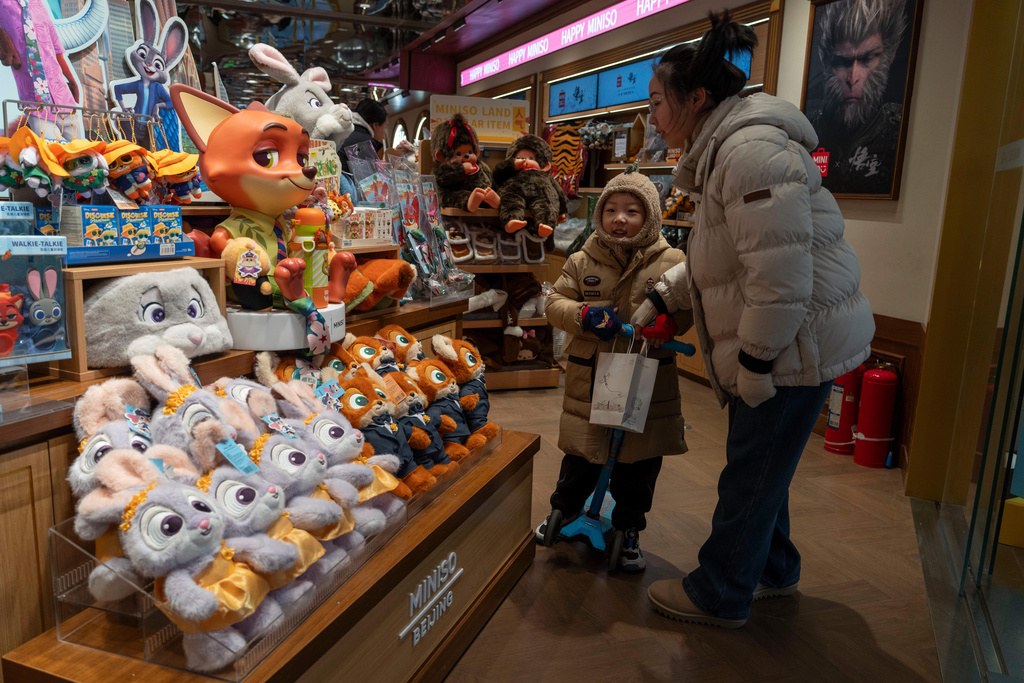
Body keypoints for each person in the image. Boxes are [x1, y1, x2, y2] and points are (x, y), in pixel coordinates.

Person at [635, 12, 874, 627]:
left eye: (657, 102)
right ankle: (773, 567)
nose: (652, 117)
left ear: (696, 98)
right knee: (766, 467)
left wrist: (756, 361)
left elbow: (779, 275)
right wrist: (666, 296)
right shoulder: (732, 148)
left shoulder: (747, 152)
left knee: (750, 472)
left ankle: (720, 591)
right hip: (790, 334)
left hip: (793, 343)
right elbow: (733, 256)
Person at [539, 168, 692, 572]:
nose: (619, 219)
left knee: (639, 461)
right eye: (610, 210)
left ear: (651, 218)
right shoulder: (582, 258)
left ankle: (629, 526)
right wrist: (584, 315)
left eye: (631, 211)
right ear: (599, 214)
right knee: (582, 451)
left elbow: (689, 306)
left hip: (646, 375)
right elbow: (555, 303)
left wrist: (670, 324)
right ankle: (565, 508)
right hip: (592, 376)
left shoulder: (673, 262)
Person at [807, 0, 909, 194]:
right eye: (842, 61)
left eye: (867, 58)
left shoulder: (899, 127)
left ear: (889, 57)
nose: (853, 78)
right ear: (826, 61)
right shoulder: (807, 130)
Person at [339, 98, 388, 174]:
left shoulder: (344, 130)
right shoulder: (365, 142)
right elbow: (369, 179)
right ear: (375, 125)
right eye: (385, 127)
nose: (384, 133)